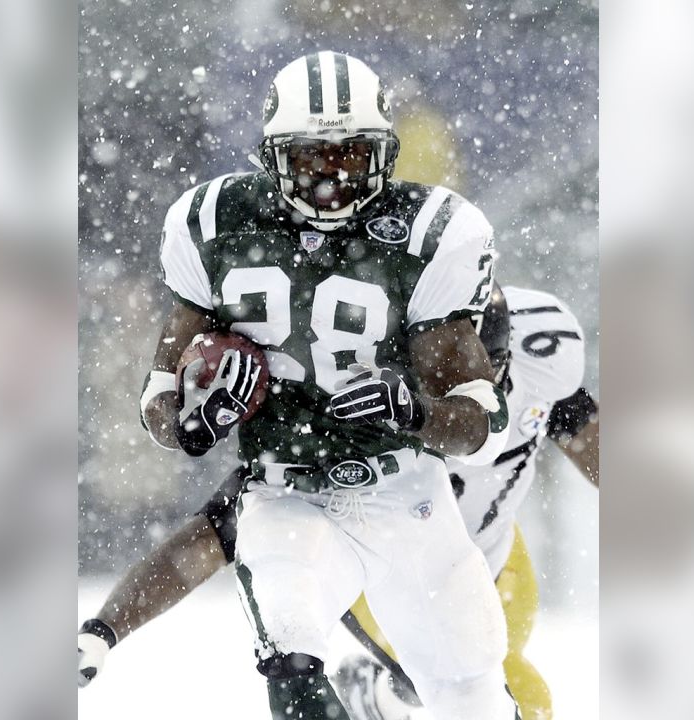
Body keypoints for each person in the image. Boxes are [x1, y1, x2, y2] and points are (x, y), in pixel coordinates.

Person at [91, 51, 518, 720]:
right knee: (290, 663)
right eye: (313, 157)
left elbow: (479, 415)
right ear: (272, 155)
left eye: (351, 155)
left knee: (471, 695)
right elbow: (160, 390)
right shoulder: (213, 223)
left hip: (404, 489)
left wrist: (417, 413)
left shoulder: (431, 235)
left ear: (384, 152)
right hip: (284, 491)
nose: (332, 177)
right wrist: (190, 424)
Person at [79, 286, 600, 720]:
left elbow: (582, 432)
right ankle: (389, 692)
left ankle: (378, 697)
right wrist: (105, 628)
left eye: (472, 380)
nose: (453, 395)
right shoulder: (344, 404)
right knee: (515, 698)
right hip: (381, 579)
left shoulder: (542, 345)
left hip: (494, 555)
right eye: (436, 380)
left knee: (474, 677)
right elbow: (217, 532)